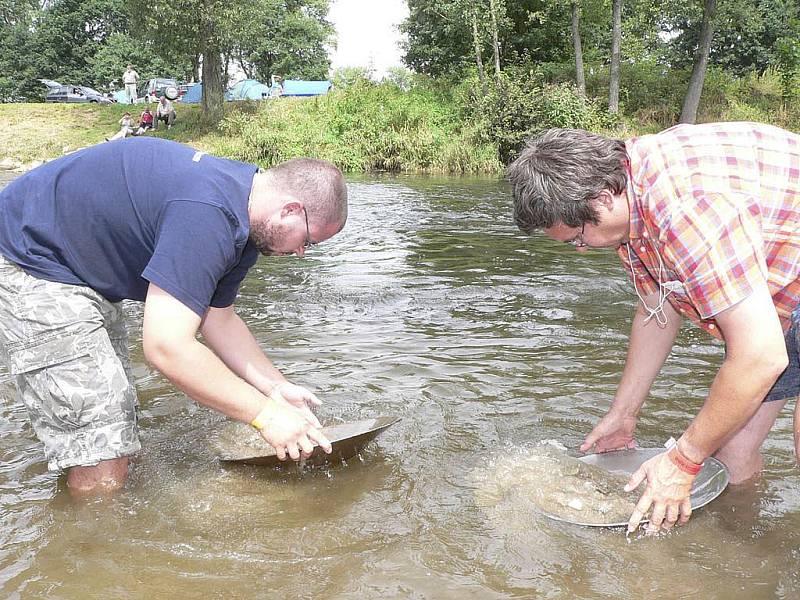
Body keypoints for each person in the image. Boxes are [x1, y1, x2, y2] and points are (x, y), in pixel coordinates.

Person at [0, 137, 348, 495]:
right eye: (310, 240)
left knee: (115, 424)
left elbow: (219, 319)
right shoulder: (206, 212)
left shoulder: (244, 225)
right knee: (101, 443)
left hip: (83, 270)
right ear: (290, 210)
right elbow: (166, 348)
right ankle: (91, 542)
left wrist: (275, 389)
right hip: (32, 259)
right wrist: (268, 417)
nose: (303, 253)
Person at [506, 122, 800, 533]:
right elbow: (654, 310)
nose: (581, 249)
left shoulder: (687, 210)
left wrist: (682, 460)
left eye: (578, 238)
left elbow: (760, 356)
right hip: (777, 286)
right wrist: (622, 415)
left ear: (602, 198)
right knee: (732, 454)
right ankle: (744, 550)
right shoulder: (628, 209)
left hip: (784, 276)